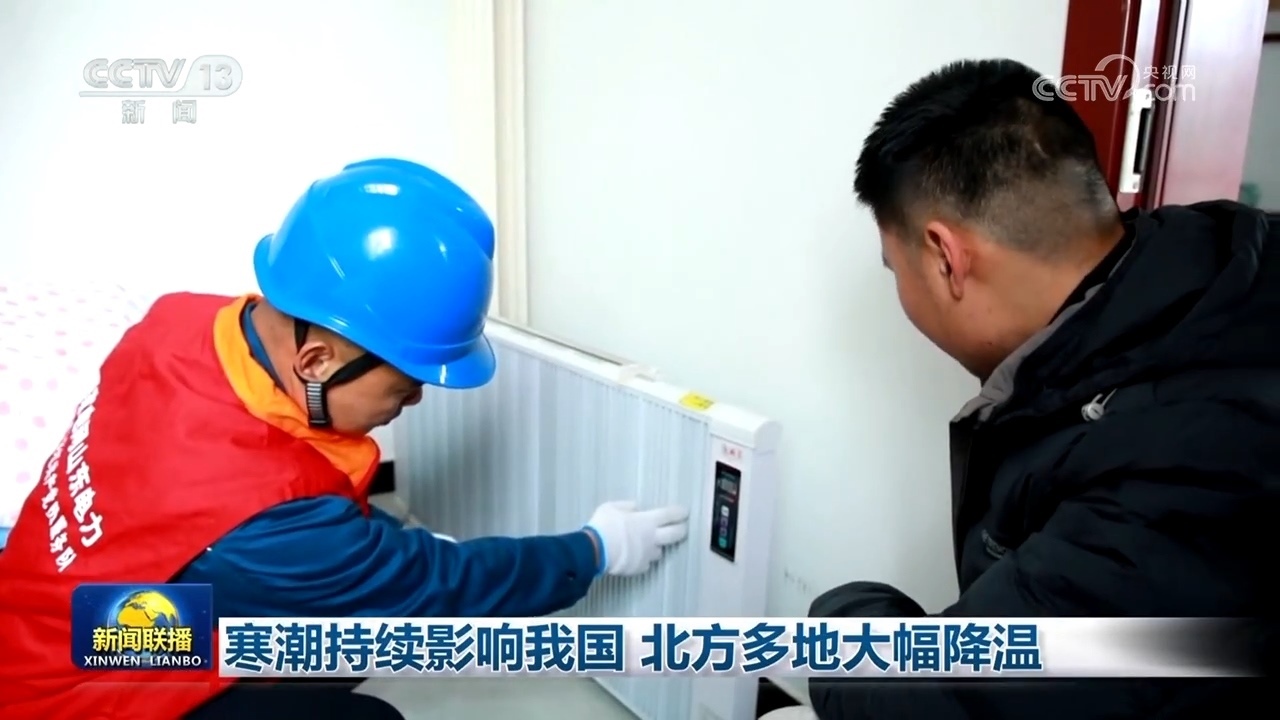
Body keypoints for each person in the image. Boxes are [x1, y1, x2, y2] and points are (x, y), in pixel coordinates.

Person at [0, 158, 691, 720]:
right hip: (64, 690)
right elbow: (442, 588)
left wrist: (373, 557)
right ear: (317, 362)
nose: (415, 399)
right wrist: (593, 550)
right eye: (405, 383)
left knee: (336, 635)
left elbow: (275, 495)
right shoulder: (265, 527)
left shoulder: (178, 323)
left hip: (59, 609)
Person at [808, 59, 1279, 718]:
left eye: (895, 268)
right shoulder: (1212, 273)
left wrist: (843, 612)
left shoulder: (1180, 461)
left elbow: (943, 702)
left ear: (946, 257)